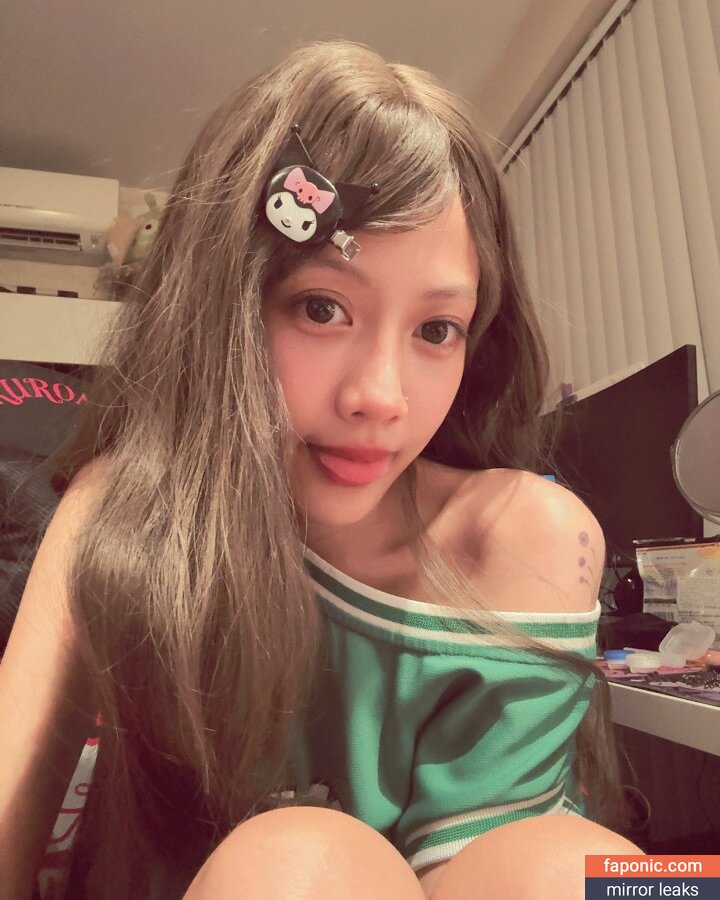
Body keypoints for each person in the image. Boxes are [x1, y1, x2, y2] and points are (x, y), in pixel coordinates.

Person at [0, 40, 643, 900]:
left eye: (436, 330)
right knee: (301, 861)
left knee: (613, 873)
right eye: (320, 307)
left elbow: (507, 868)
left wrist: (676, 883)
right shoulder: (125, 515)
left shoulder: (527, 537)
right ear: (224, 310)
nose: (380, 397)